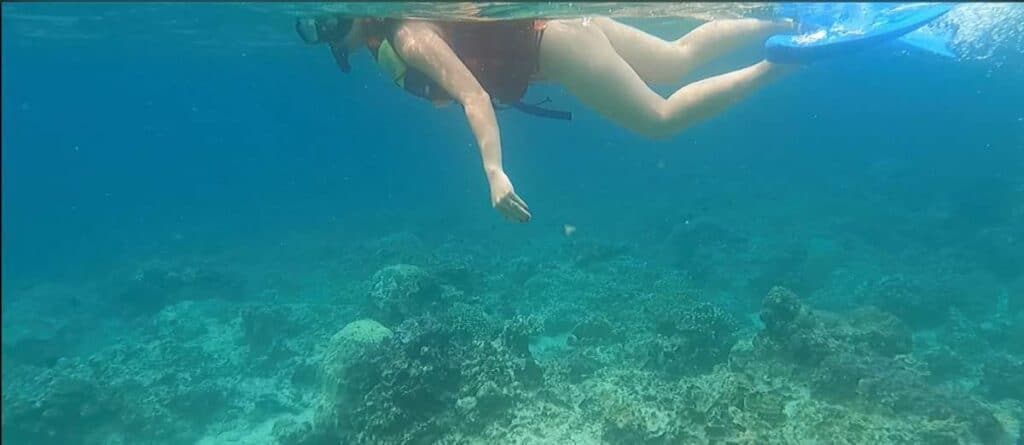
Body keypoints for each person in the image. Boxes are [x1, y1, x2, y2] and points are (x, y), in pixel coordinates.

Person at [296, 15, 797, 223]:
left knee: (659, 118)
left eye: (334, 22)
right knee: (676, 57)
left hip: (555, 49)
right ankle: (792, 21)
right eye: (321, 30)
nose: (330, 32)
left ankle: (783, 62)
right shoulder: (388, 40)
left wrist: (493, 172)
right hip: (565, 28)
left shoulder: (407, 39)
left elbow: (473, 97)